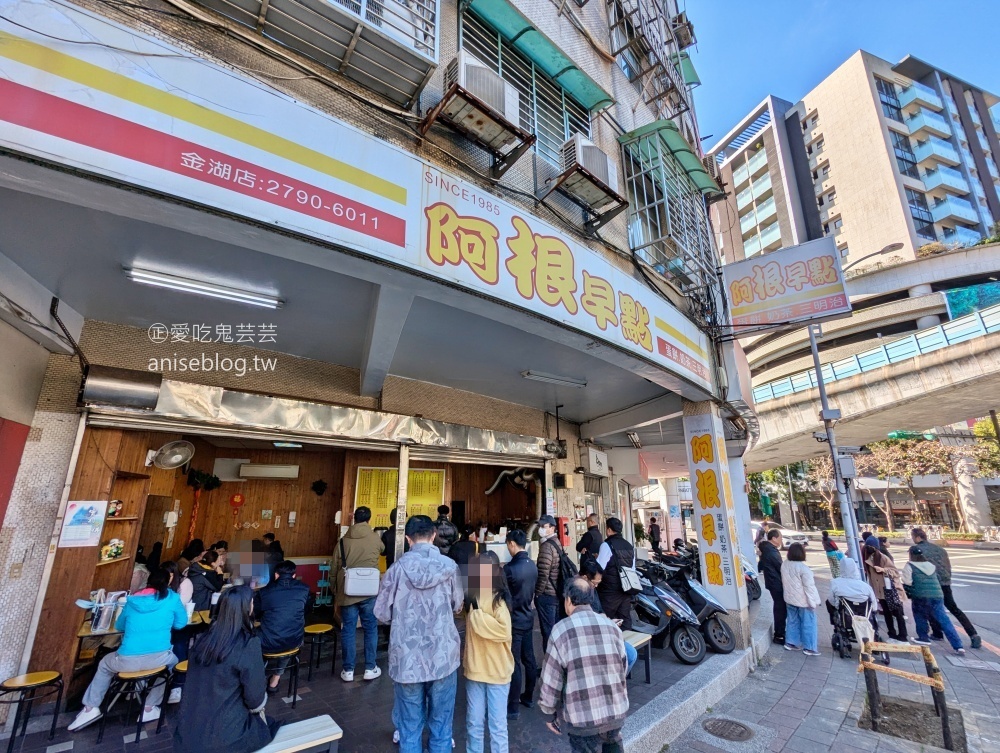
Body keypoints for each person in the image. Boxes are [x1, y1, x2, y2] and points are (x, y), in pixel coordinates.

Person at [375, 515, 463, 753]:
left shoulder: (396, 570)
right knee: (442, 725)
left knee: (410, 727)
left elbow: (381, 613)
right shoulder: (450, 567)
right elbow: (457, 605)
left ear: (408, 538)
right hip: (443, 655)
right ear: (433, 535)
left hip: (407, 659)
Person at [69, 568, 186, 731]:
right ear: (168, 582)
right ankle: (149, 707)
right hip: (160, 659)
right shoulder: (172, 599)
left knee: (104, 665)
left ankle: (90, 708)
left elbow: (119, 625)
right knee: (172, 664)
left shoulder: (132, 601)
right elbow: (181, 624)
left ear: (148, 582)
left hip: (126, 661)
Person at [172, 585, 282, 753]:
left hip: (187, 735)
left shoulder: (201, 641)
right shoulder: (247, 644)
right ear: (248, 608)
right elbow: (255, 699)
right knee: (273, 727)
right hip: (226, 739)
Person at [538, 578, 628, 752]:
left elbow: (551, 679)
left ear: (568, 600)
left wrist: (548, 713)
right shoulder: (612, 627)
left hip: (582, 720)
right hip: (615, 713)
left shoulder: (560, 631)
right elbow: (622, 668)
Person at [464, 552, 514, 753]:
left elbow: (504, 631)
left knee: (496, 726)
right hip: (477, 670)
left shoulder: (499, 599)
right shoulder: (470, 595)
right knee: (474, 724)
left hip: (496, 672)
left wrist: (477, 617)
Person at [332, 505, 384, 682]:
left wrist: (335, 590)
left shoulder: (342, 541)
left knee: (348, 629)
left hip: (347, 590)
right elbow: (383, 549)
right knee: (370, 628)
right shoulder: (375, 538)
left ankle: (348, 670)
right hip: (369, 590)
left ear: (353, 519)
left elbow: (334, 567)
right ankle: (370, 667)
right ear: (369, 519)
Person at [911, 527, 980, 649]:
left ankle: (937, 633)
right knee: (954, 609)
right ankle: (973, 634)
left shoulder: (917, 550)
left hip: (931, 583)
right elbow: (947, 566)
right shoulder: (940, 549)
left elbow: (915, 568)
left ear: (917, 537)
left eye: (913, 537)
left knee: (930, 608)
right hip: (945, 583)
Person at [253, 559, 311, 692]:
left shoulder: (264, 592)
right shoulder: (305, 589)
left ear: (276, 575)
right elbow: (307, 610)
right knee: (287, 637)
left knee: (252, 637)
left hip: (268, 642)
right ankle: (275, 679)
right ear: (294, 575)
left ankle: (256, 680)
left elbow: (255, 614)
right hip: (295, 640)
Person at [901, 545, 965, 655]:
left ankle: (923, 637)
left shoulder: (909, 565)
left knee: (920, 615)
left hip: (920, 595)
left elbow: (907, 582)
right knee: (944, 620)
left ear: (911, 555)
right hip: (937, 595)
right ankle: (958, 645)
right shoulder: (931, 565)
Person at [579, 560, 637, 675]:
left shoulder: (592, 589)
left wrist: (609, 621)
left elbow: (600, 611)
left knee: (631, 654)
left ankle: (617, 682)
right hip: (591, 637)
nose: (596, 586)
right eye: (595, 583)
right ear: (585, 578)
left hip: (602, 630)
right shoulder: (576, 593)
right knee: (628, 655)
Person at [503, 529, 537, 719]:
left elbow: (506, 597)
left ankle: (513, 706)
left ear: (512, 544)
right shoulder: (532, 565)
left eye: (508, 545)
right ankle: (529, 696)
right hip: (528, 618)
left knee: (514, 662)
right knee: (529, 658)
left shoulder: (509, 569)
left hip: (514, 620)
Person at [781, 542, 821, 656]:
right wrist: (813, 602)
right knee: (809, 623)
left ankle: (791, 642)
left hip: (789, 598)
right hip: (804, 601)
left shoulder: (785, 564)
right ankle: (809, 647)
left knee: (792, 620)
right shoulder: (804, 569)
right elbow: (809, 588)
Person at [595, 517, 635, 630]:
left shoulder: (607, 545)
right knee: (625, 621)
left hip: (609, 591)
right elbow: (632, 569)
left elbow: (599, 568)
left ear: (608, 530)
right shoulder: (629, 546)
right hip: (626, 590)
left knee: (605, 621)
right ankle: (625, 646)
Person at [863, 543, 907, 642]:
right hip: (881, 592)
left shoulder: (882, 558)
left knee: (897, 613)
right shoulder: (869, 560)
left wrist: (883, 569)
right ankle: (892, 634)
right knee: (887, 613)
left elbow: (895, 572)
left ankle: (903, 636)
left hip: (891, 591)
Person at [534, 515, 562, 651]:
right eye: (540, 526)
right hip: (556, 593)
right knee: (555, 632)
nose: (540, 529)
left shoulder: (546, 546)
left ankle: (550, 668)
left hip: (547, 595)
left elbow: (543, 573)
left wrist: (538, 593)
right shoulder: (557, 542)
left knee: (548, 633)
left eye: (543, 526)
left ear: (552, 528)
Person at [825, 555, 877, 625]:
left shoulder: (835, 583)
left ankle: (835, 622)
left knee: (828, 602)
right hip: (864, 613)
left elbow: (831, 600)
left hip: (845, 613)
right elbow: (873, 603)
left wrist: (837, 606)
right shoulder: (865, 586)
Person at [757, 528, 786, 645]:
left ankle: (780, 633)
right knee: (780, 609)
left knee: (779, 608)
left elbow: (761, 565)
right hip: (776, 583)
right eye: (780, 537)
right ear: (774, 538)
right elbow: (781, 567)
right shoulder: (771, 551)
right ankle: (779, 635)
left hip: (773, 582)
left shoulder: (767, 549)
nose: (781, 540)